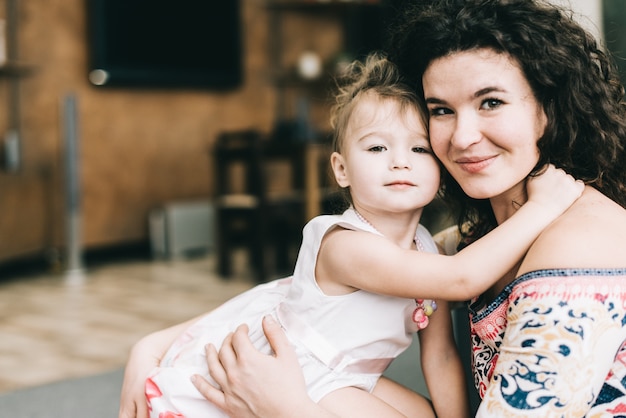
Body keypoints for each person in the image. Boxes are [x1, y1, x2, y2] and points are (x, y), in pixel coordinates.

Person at [189, 1, 626, 417]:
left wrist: (287, 411)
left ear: (548, 109)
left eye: (490, 102)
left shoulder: (577, 253)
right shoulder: (479, 233)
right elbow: (295, 291)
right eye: (441, 110)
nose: (462, 136)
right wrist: (157, 344)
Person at [120, 52, 582, 418]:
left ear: (439, 170)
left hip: (349, 374)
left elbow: (439, 355)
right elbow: (462, 280)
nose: (399, 161)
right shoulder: (343, 244)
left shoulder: (425, 247)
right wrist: (543, 207)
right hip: (299, 369)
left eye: (419, 149)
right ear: (341, 169)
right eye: (377, 147)